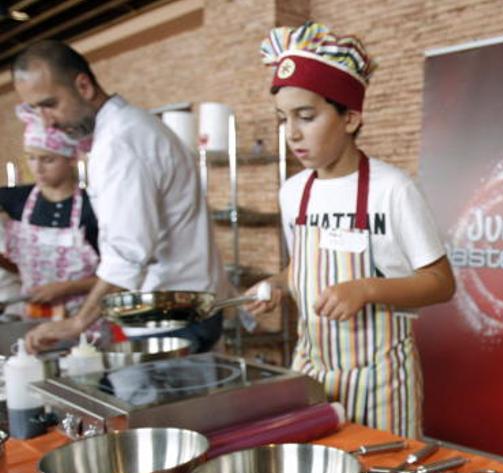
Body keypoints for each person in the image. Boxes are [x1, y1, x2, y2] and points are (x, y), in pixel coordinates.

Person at [244, 21, 455, 438]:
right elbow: (301, 268)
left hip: (381, 379)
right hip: (311, 369)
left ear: (351, 118)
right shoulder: (293, 192)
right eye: (283, 119)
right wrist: (275, 285)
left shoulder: (392, 190)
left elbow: (441, 282)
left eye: (307, 116)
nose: (293, 134)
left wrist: (366, 289)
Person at [12, 40, 230, 353]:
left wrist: (77, 322)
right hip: (179, 310)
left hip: (171, 316)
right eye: (36, 110)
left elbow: (128, 252)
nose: (47, 121)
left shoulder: (120, 143)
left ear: (83, 86)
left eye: (50, 104)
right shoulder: (130, 128)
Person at [0, 104, 99, 327]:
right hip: (33, 321)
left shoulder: (92, 207)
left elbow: (117, 276)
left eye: (48, 160)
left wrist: (66, 288)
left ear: (71, 159)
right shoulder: (16, 200)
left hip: (85, 321)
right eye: (32, 158)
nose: (38, 169)